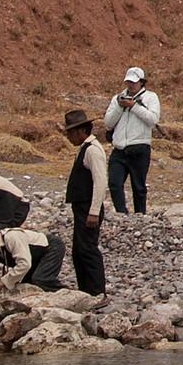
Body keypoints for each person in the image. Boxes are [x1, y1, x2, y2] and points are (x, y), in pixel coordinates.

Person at [60, 108, 108, 295]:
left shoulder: (93, 151)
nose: (69, 137)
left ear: (81, 131)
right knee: (79, 251)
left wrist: (94, 211)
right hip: (82, 207)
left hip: (88, 207)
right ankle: (86, 291)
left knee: (87, 250)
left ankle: (97, 292)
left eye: (71, 133)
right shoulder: (85, 148)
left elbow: (100, 181)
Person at [103, 66, 160, 214]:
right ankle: (122, 213)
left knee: (139, 187)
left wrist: (134, 106)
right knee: (114, 183)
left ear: (142, 82)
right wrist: (120, 107)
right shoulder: (117, 98)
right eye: (128, 82)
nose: (131, 85)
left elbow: (152, 120)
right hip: (120, 149)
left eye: (134, 82)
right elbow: (108, 122)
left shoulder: (151, 97)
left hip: (139, 149)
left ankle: (140, 215)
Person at [0, 224, 66, 294]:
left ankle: (68, 295)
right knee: (28, 285)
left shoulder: (11, 238)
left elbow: (24, 264)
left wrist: (3, 281)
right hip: (33, 258)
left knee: (41, 279)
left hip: (50, 248)